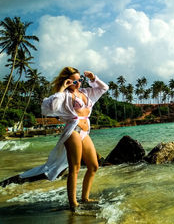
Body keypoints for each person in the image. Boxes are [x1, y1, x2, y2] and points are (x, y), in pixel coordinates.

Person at [20, 67, 109, 210]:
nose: (78, 83)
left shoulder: (86, 92)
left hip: (85, 132)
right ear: (68, 81)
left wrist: (94, 79)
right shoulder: (64, 95)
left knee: (93, 166)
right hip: (73, 130)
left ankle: (85, 198)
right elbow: (52, 107)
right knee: (75, 167)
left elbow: (104, 88)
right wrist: (62, 88)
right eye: (74, 81)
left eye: (79, 80)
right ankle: (73, 203)